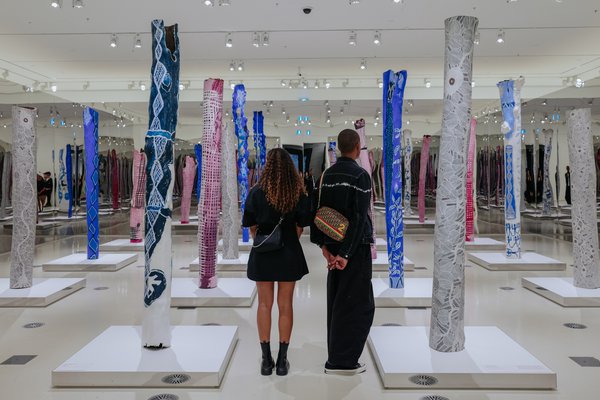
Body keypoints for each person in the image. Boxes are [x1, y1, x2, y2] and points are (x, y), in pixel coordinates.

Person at [242, 148, 312, 377]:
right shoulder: (297, 192)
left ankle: (265, 360)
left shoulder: (256, 192)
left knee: (264, 304)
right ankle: (282, 361)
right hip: (289, 253)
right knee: (285, 305)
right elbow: (301, 226)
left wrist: (265, 240)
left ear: (267, 166)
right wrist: (288, 239)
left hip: (263, 253)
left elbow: (251, 227)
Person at [311, 128, 375, 375]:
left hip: (333, 246)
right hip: (353, 250)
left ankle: (337, 356)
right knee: (359, 304)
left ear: (338, 147)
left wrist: (325, 248)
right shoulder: (360, 176)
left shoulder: (327, 175)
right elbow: (359, 218)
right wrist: (346, 255)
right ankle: (344, 361)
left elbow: (317, 211)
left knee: (338, 301)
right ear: (357, 147)